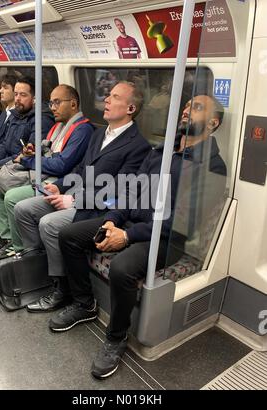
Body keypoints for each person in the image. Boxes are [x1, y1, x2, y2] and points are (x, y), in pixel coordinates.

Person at [48, 94, 227, 379]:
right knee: (69, 234)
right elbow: (131, 192)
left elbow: (180, 224)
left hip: (167, 239)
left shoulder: (212, 166)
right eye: (185, 105)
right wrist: (111, 220)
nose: (186, 111)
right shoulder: (161, 150)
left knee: (123, 268)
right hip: (132, 223)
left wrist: (127, 236)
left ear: (213, 123)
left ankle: (116, 337)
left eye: (196, 108)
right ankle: (85, 303)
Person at [14, 81, 151, 313]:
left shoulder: (138, 146)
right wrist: (59, 186)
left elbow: (119, 191)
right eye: (108, 95)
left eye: (115, 97)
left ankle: (63, 288)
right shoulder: (99, 135)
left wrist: (75, 201)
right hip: (75, 193)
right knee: (23, 209)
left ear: (130, 109)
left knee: (49, 224)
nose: (106, 100)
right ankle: (42, 271)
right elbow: (79, 169)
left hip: (99, 207)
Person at [0, 84, 95, 262]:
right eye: (51, 103)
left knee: (12, 197)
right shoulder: (57, 127)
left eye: (57, 103)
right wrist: (32, 152)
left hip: (57, 179)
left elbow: (61, 165)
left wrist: (28, 160)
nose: (52, 108)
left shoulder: (82, 130)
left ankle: (21, 248)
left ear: (73, 104)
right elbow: (47, 150)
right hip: (42, 172)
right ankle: (9, 238)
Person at [0, 76, 54, 244]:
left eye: (23, 95)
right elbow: (6, 145)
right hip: (10, 161)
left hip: (26, 168)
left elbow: (29, 153)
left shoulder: (40, 120)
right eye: (16, 94)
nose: (18, 99)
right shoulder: (16, 115)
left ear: (35, 98)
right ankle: (7, 237)